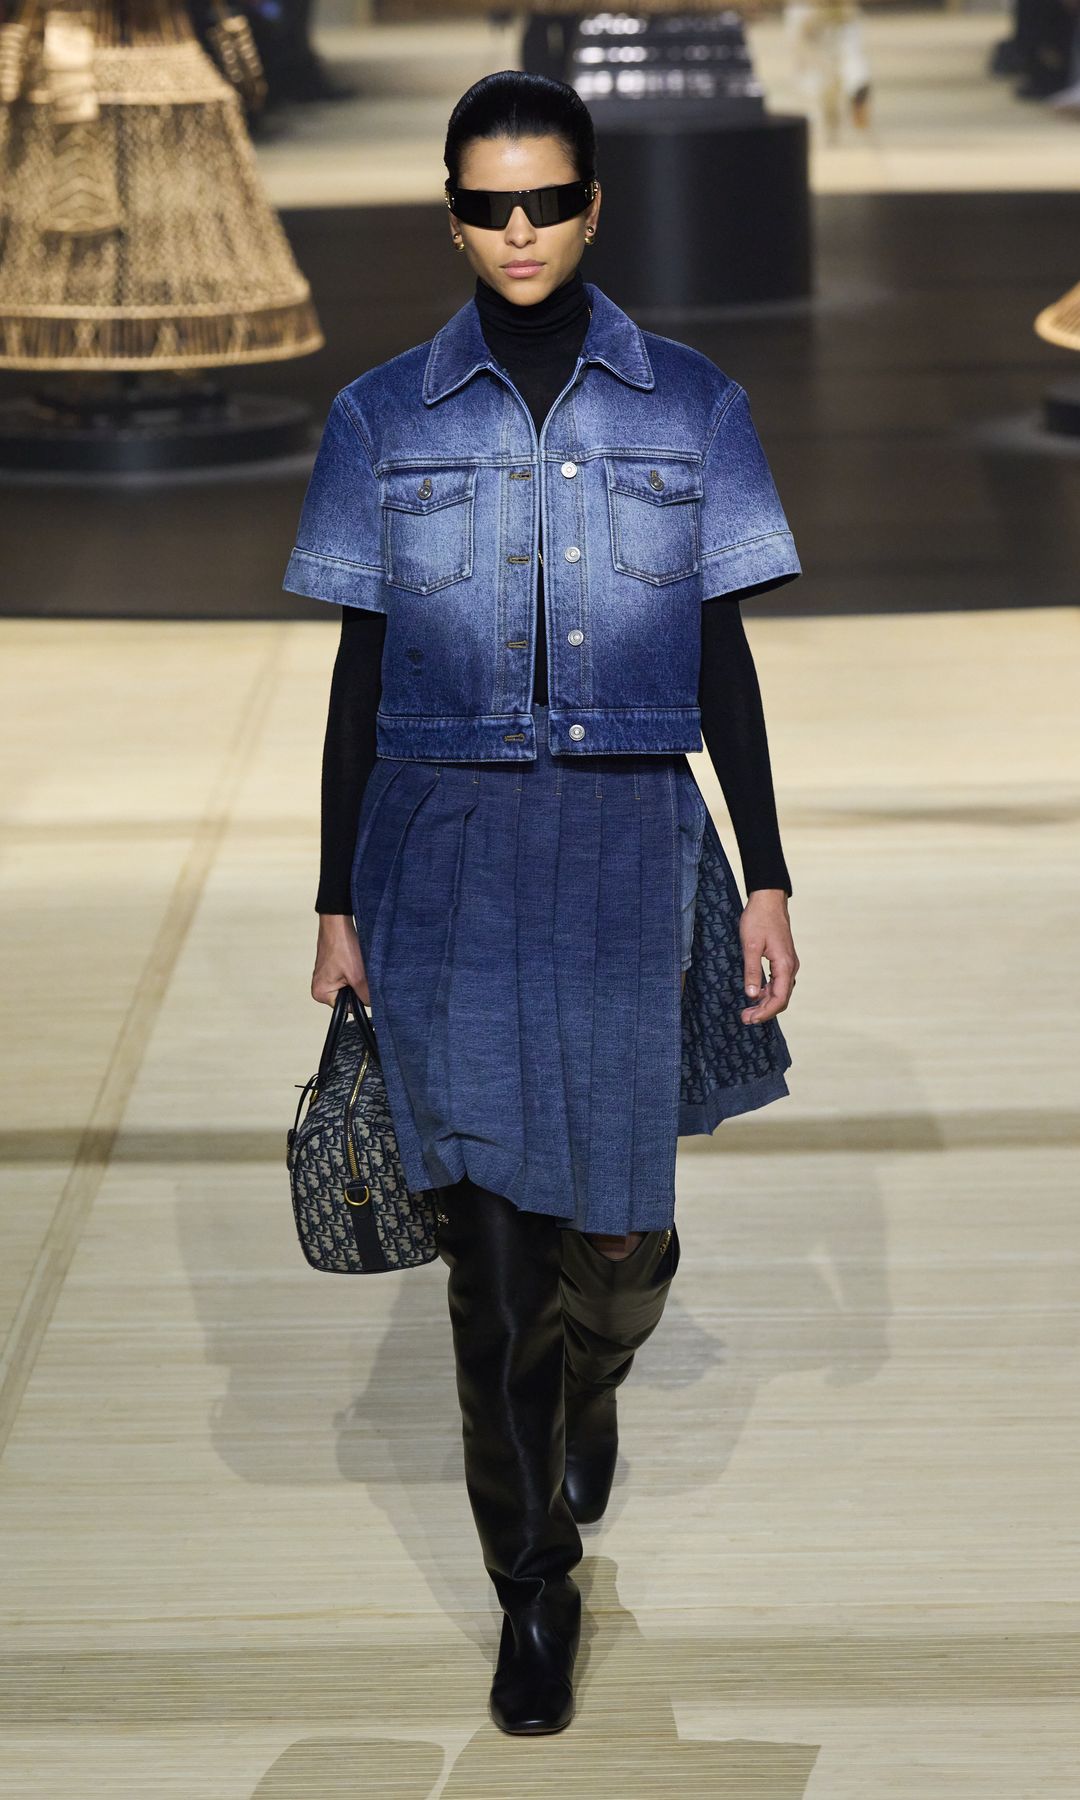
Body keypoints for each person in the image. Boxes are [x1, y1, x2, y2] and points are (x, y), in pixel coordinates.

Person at [281, 69, 801, 1737]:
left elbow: (722, 656)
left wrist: (769, 869)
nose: (519, 230)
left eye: (548, 200)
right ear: (452, 214)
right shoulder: (381, 418)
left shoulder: (694, 404)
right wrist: (334, 895)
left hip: (628, 844)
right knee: (491, 1259)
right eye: (488, 204)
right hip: (438, 853)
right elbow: (358, 676)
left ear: (592, 206)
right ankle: (533, 1586)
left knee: (618, 1237)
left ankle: (596, 1372)